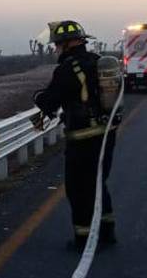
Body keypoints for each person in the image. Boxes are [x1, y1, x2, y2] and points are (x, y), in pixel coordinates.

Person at [30, 20, 121, 250]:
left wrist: (38, 97)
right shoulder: (97, 61)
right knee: (98, 183)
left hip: (82, 138)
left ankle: (84, 239)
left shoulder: (67, 69)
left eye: (57, 44)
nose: (55, 49)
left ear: (67, 44)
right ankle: (107, 232)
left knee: (78, 189)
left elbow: (51, 101)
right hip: (106, 133)